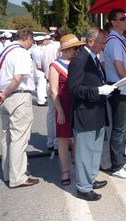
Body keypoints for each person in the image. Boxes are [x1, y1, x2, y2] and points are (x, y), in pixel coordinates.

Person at [68, 28, 114, 201]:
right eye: (102, 42)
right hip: (85, 113)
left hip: (96, 111)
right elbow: (75, 88)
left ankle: (90, 179)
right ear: (90, 42)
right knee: (85, 152)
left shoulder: (93, 58)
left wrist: (107, 89)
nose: (104, 45)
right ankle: (83, 187)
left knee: (95, 150)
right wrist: (98, 90)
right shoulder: (80, 60)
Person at [0, 28, 40, 188]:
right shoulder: (21, 53)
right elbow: (18, 77)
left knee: (7, 137)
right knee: (19, 138)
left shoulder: (3, 51)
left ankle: (8, 173)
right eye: (32, 40)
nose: (32, 44)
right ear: (27, 38)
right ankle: (18, 176)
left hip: (4, 95)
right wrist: (4, 94)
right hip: (17, 95)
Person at [103, 9, 126, 179]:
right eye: (122, 18)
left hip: (123, 88)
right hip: (120, 88)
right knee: (119, 128)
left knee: (122, 127)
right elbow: (119, 68)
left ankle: (121, 160)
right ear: (113, 22)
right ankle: (117, 165)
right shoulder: (114, 42)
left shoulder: (119, 40)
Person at [48, 34, 85, 186]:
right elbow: (53, 91)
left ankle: (78, 163)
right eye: (75, 48)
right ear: (67, 49)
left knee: (78, 137)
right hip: (62, 105)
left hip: (77, 105)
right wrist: (60, 111)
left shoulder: (77, 62)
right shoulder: (55, 66)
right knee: (63, 139)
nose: (77, 51)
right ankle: (65, 170)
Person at [41, 27, 68, 154]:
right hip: (60, 83)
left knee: (51, 114)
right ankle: (59, 142)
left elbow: (40, 65)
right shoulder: (61, 47)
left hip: (48, 81)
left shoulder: (46, 47)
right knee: (60, 113)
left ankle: (51, 141)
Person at [30, 36, 48, 106]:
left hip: (38, 69)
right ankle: (41, 101)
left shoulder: (36, 49)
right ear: (40, 41)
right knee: (41, 85)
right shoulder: (37, 50)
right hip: (39, 69)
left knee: (42, 84)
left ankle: (42, 98)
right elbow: (39, 61)